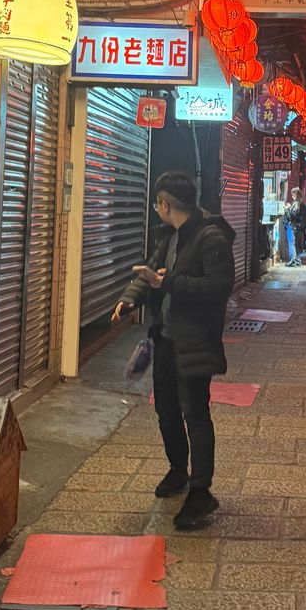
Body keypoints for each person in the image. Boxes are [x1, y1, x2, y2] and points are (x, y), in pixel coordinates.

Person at [113, 171, 235, 531]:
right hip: (165, 338)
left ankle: (201, 491)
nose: (157, 210)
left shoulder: (211, 237)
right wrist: (129, 299)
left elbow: (218, 288)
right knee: (166, 410)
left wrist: (168, 282)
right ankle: (178, 470)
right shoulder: (168, 234)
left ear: (165, 204)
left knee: (195, 414)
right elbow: (151, 271)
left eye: (157, 205)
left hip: (195, 340)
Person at [282, 187, 306, 267]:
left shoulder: (296, 203)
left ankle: (293, 260)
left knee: (292, 243)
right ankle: (297, 260)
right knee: (297, 244)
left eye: (293, 194)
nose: (292, 196)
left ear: (295, 195)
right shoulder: (303, 203)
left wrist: (287, 209)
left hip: (294, 226)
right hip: (300, 227)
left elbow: (293, 215)